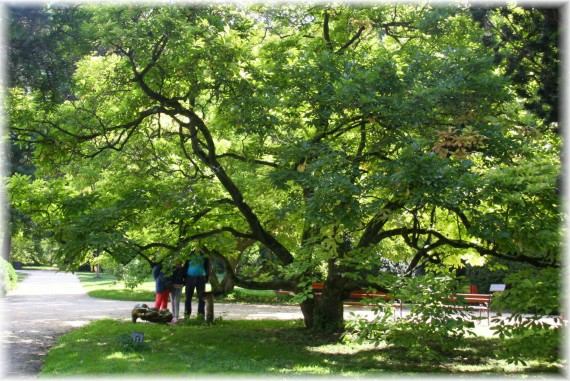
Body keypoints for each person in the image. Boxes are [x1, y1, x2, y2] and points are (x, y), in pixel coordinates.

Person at [183, 251, 210, 317]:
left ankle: (200, 316)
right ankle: (187, 315)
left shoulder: (205, 256)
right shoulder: (189, 254)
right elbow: (185, 267)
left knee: (201, 298)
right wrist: (185, 278)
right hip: (190, 277)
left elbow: (207, 267)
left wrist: (205, 278)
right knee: (188, 297)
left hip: (201, 278)